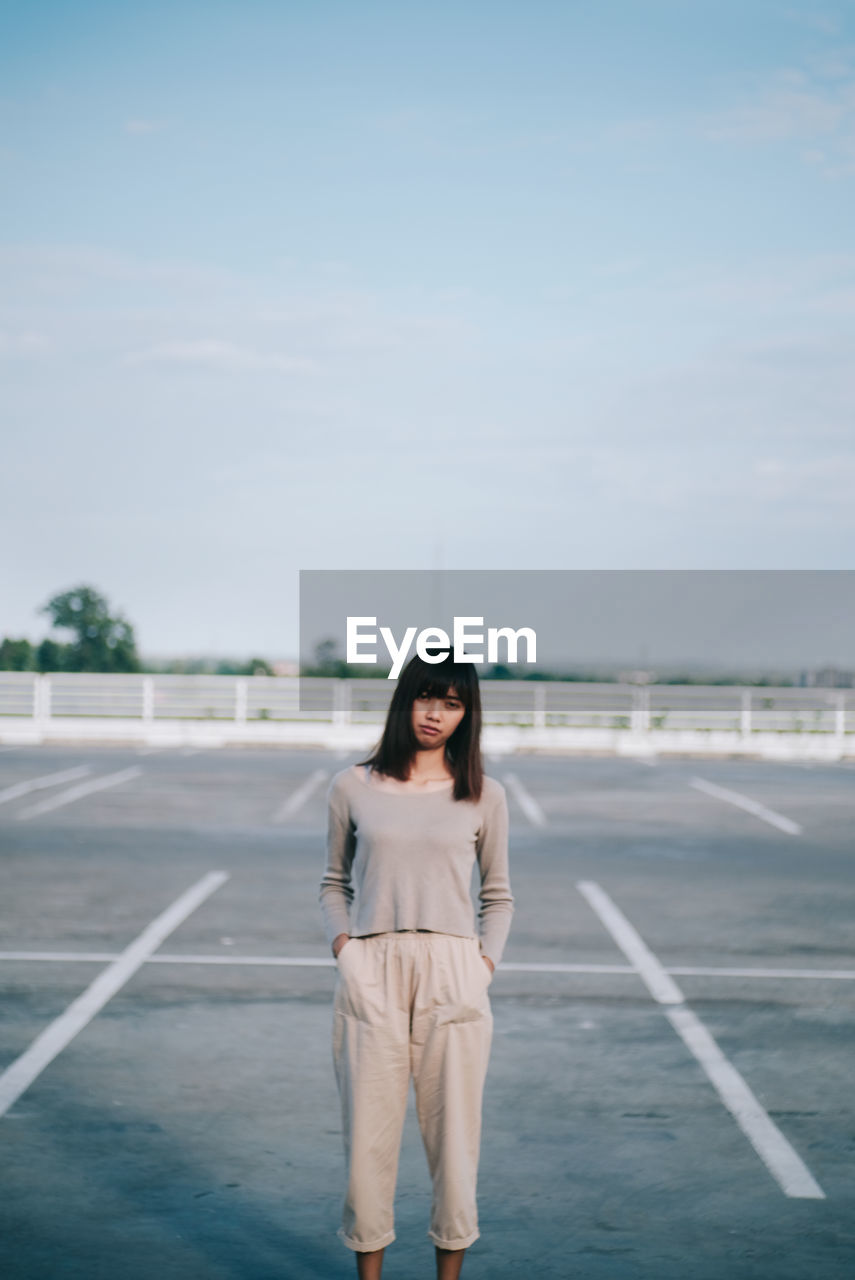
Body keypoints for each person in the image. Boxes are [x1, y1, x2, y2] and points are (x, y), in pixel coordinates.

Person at [319, 651, 514, 1280]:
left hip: (453, 970)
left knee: (455, 1147)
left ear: (467, 713)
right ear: (404, 700)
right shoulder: (353, 785)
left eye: (452, 703)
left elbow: (498, 895)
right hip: (371, 967)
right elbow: (332, 882)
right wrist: (346, 951)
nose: (436, 713)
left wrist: (482, 965)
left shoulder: (483, 794)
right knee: (366, 1149)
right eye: (426, 697)